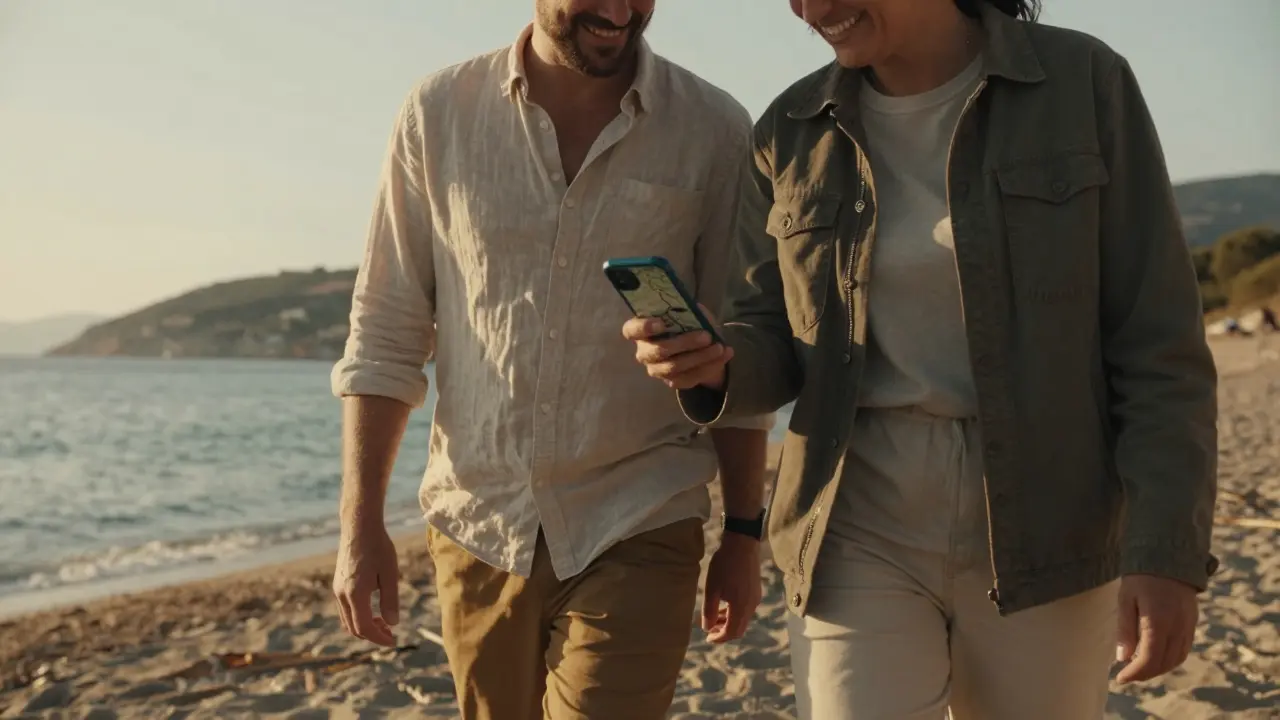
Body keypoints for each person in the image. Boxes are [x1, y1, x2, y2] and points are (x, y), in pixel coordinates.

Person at [625, 0, 1219, 717]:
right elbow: (771, 337)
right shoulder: (789, 129)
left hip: (1048, 526)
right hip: (854, 519)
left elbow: (1157, 344)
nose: (812, 9)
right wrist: (714, 366)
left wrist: (1165, 551)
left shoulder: (1083, 83)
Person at [328, 1, 774, 718]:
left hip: (640, 514)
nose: (622, 10)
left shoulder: (715, 128)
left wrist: (743, 536)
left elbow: (739, 349)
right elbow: (386, 330)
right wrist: (360, 525)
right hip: (478, 525)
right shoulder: (436, 114)